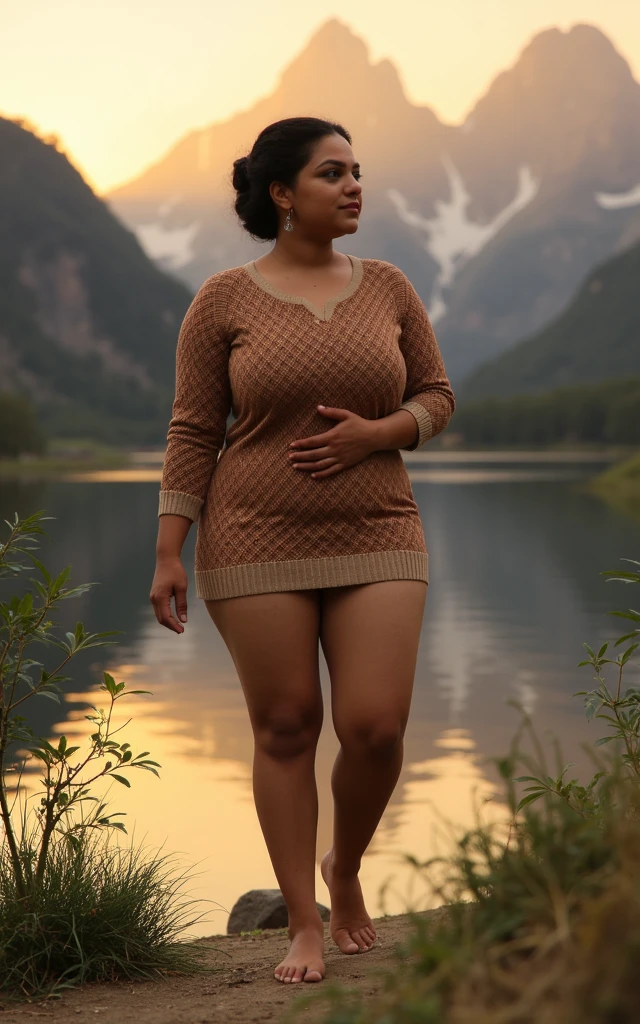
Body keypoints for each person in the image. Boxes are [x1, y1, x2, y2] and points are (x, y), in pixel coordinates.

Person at [149, 116, 456, 985]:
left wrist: (379, 433)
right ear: (282, 194)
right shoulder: (223, 300)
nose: (355, 185)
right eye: (333, 173)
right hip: (252, 535)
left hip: (379, 527)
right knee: (285, 727)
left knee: (375, 726)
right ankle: (304, 924)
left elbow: (437, 394)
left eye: (359, 171)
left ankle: (344, 868)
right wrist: (170, 550)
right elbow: (193, 429)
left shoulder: (389, 287)